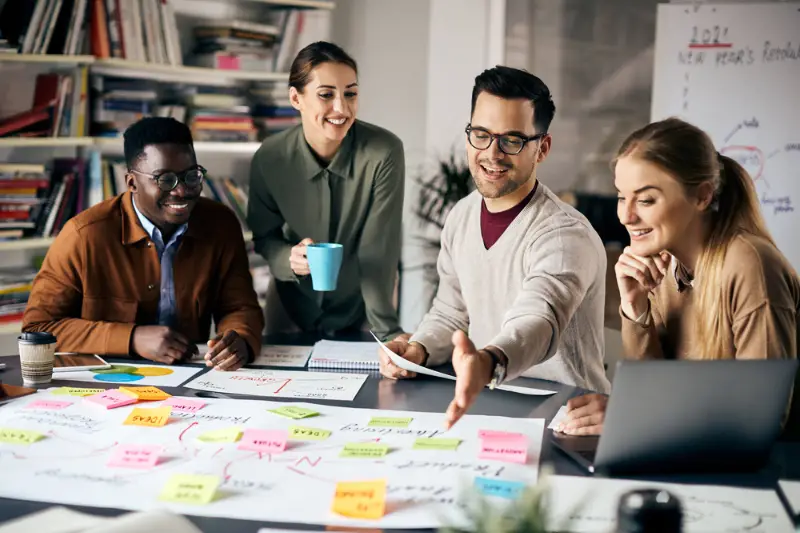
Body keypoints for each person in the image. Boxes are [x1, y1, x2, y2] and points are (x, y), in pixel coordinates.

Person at [379, 66, 611, 429]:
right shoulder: (462, 215)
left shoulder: (564, 235)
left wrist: (488, 362)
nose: (492, 153)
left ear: (542, 148)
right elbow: (452, 312)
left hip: (569, 420)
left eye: (512, 140)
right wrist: (419, 349)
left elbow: (538, 321)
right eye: (482, 135)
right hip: (488, 405)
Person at [557, 117, 800, 436]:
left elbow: (762, 414)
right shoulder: (665, 265)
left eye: (645, 199)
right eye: (621, 196)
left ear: (701, 196)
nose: (626, 216)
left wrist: (634, 415)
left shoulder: (750, 263)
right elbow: (653, 391)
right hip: (695, 453)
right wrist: (636, 307)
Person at [22, 117, 264, 371]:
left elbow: (239, 306)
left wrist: (241, 339)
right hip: (104, 383)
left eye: (191, 176)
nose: (181, 191)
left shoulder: (220, 223)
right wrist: (131, 338)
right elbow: (38, 329)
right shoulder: (83, 235)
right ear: (131, 183)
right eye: (165, 179)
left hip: (191, 378)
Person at [247, 41, 405, 341]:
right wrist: (287, 259)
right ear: (296, 98)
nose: (341, 108)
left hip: (362, 309)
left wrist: (387, 333)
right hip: (290, 306)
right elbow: (265, 238)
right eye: (326, 95)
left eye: (350, 94)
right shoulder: (270, 157)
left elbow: (378, 251)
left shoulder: (384, 151)